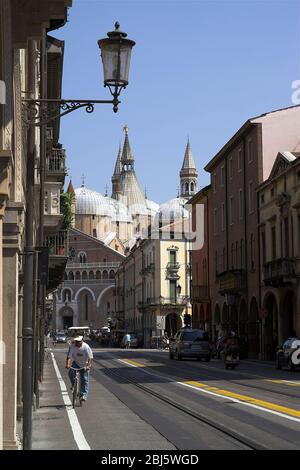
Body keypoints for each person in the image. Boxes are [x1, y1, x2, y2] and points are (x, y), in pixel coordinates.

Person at [66, 335, 93, 402]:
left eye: (79, 341)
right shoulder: (72, 346)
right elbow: (69, 357)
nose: (77, 343)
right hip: (76, 363)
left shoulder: (86, 347)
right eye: (76, 341)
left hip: (84, 364)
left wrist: (88, 366)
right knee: (71, 373)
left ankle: (83, 395)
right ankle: (73, 385)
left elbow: (90, 358)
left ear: (82, 341)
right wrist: (68, 364)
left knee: (85, 379)